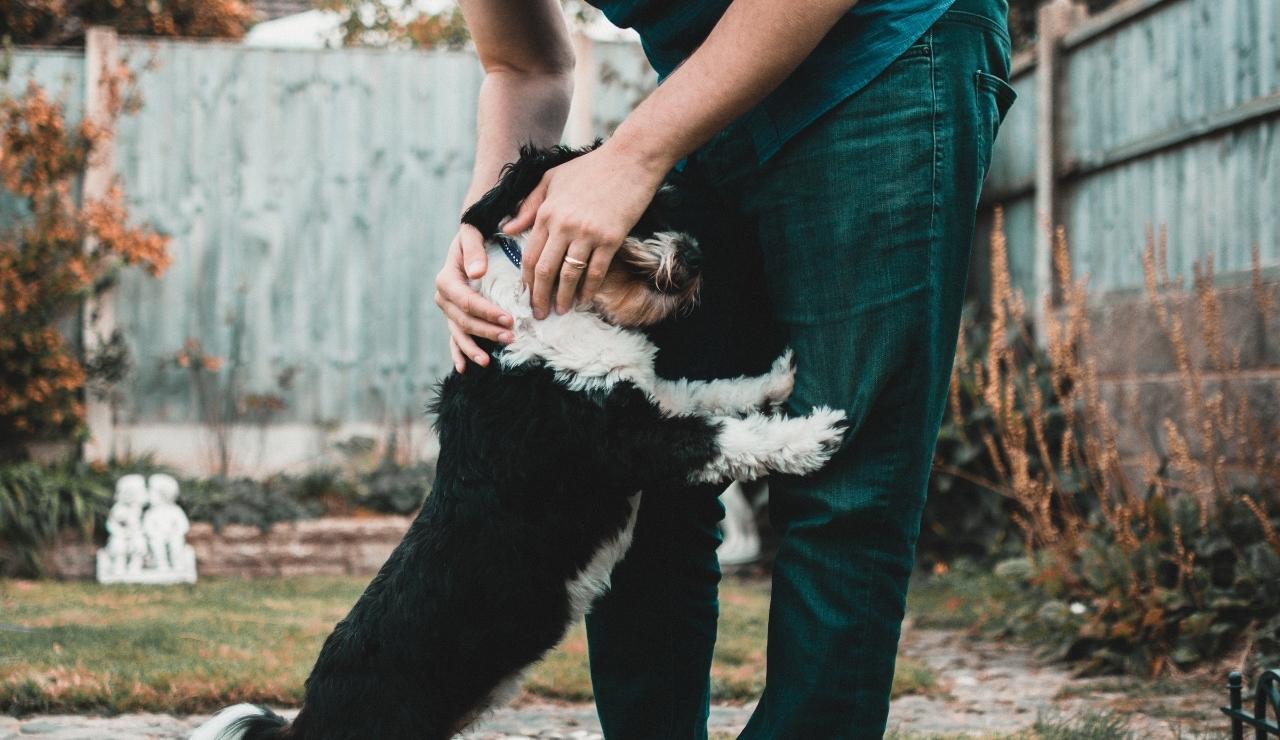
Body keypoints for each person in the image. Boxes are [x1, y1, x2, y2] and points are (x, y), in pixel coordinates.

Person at [433, 0, 1015, 737]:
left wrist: (634, 155)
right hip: (706, 93)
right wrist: (485, 229)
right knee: (635, 476)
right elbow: (523, 63)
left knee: (845, 479)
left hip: (882, 50)